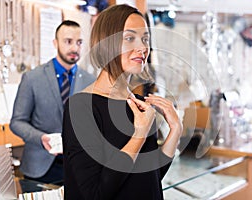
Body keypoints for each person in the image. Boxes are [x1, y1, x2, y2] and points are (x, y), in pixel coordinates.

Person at [62, 4, 182, 200]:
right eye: (130, 38)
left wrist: (175, 130)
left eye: (145, 39)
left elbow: (151, 176)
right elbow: (95, 194)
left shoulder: (140, 104)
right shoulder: (81, 107)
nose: (143, 48)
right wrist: (139, 135)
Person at [10, 20, 95, 185]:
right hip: (39, 167)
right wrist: (41, 138)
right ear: (55, 43)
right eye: (68, 41)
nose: (74, 48)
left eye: (79, 42)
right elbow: (17, 122)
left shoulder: (91, 81)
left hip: (79, 168)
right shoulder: (32, 78)